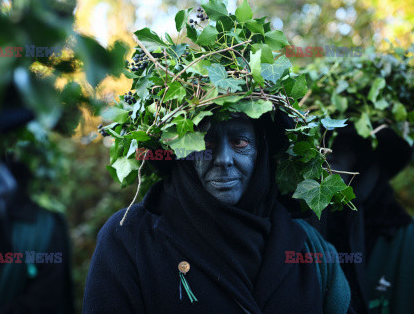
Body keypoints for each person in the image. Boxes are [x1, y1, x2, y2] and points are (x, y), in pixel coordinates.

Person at [82, 111, 353, 314]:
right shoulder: (129, 239)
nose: (223, 159)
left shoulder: (311, 249)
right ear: (181, 153)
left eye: (239, 142)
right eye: (205, 144)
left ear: (261, 150)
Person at [309, 125, 414, 314]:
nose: (328, 151)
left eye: (344, 143)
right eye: (320, 141)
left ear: (365, 156)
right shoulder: (291, 221)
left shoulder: (401, 236)